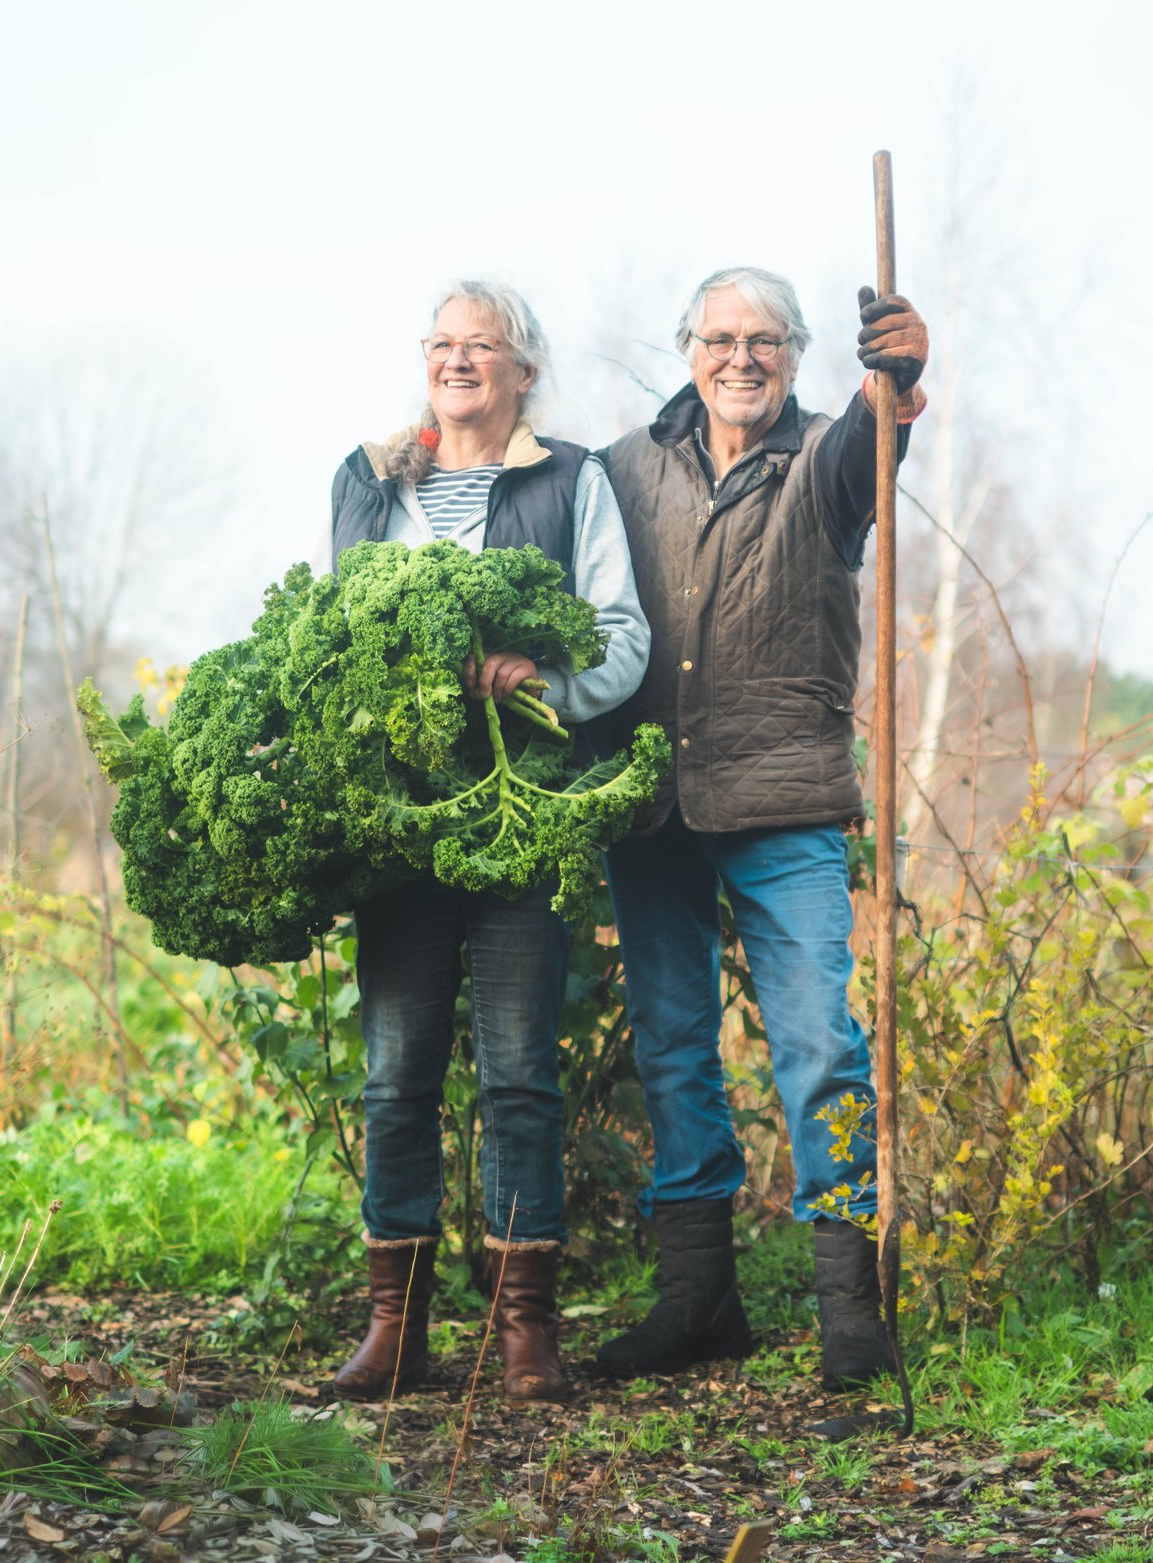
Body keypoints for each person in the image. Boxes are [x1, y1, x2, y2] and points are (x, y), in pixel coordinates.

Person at [589, 266, 928, 1391]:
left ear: (796, 354)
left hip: (783, 799)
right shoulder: (622, 470)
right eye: (721, 337)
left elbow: (873, 443)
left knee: (818, 1049)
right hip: (653, 805)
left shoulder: (825, 459)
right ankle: (698, 1302)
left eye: (766, 340)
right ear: (687, 346)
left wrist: (901, 379)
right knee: (674, 1050)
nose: (742, 357)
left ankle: (848, 1313)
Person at [323, 281, 649, 1404]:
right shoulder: (365, 480)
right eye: (443, 345)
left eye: (484, 347)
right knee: (394, 1078)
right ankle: (394, 1334)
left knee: (518, 1077)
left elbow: (623, 635)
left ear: (524, 372)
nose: (459, 362)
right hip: (402, 823)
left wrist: (544, 677)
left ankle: (524, 1337)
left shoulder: (571, 478)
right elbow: (338, 638)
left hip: (524, 812)